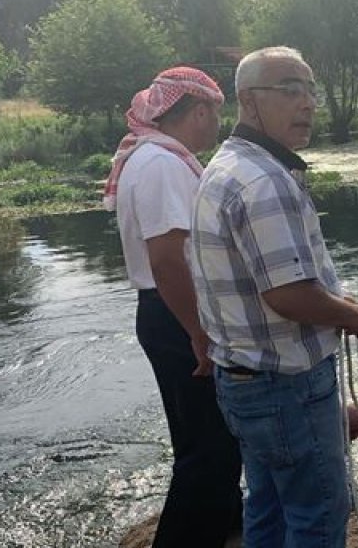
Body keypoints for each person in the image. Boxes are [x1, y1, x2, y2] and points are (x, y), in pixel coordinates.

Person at [190, 46, 358, 548]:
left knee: (269, 505)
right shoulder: (265, 180)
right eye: (290, 90)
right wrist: (355, 316)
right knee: (317, 514)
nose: (308, 104)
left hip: (245, 383)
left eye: (310, 91)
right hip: (285, 386)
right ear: (249, 102)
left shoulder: (225, 166)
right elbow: (289, 296)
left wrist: (333, 297)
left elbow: (273, 281)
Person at [104, 66, 243, 546]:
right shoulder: (162, 164)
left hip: (165, 312)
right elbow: (166, 260)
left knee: (203, 438)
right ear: (199, 110)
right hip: (177, 313)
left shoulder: (149, 157)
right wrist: (199, 334)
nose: (218, 127)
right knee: (212, 448)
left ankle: (230, 526)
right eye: (216, 116)